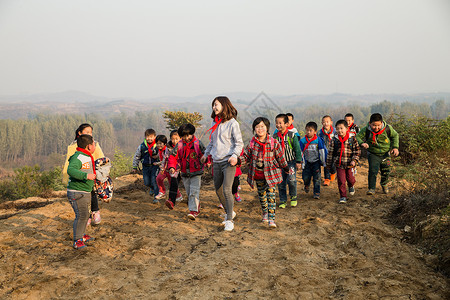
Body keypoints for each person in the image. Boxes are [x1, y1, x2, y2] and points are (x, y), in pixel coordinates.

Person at [200, 96, 244, 232]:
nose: (214, 107)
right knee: (218, 190)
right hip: (216, 161)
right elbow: (212, 143)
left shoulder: (233, 123)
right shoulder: (215, 122)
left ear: (225, 106)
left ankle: (229, 220)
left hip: (228, 161)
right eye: (213, 105)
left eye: (216, 104)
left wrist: (235, 156)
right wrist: (206, 154)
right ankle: (230, 212)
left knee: (226, 189)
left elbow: (239, 143)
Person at [240, 117, 289, 228]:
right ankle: (265, 213)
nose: (260, 129)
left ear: (267, 128)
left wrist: (285, 167)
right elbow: (246, 156)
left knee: (271, 195)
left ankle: (272, 219)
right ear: (254, 129)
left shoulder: (273, 142)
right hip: (258, 174)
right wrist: (238, 161)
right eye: (257, 127)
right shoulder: (252, 143)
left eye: (262, 126)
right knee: (262, 195)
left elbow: (280, 157)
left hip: (271, 174)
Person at [62, 123, 104, 226]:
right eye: (87, 132)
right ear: (79, 133)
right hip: (81, 175)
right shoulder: (73, 146)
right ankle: (87, 217)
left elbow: (101, 158)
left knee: (92, 193)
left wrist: (101, 174)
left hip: (92, 174)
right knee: (84, 198)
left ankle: (95, 212)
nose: (90, 134)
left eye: (91, 132)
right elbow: (70, 163)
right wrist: (65, 176)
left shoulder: (94, 144)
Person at [168, 124, 206, 219]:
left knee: (194, 192)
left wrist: (206, 160)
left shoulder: (198, 143)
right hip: (185, 173)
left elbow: (205, 153)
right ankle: (197, 205)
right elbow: (173, 156)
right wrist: (172, 166)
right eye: (184, 136)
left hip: (196, 172)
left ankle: (193, 211)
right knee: (189, 193)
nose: (186, 138)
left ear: (192, 134)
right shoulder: (179, 145)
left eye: (188, 135)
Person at [356, 113, 399, 195]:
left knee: (386, 170)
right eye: (374, 125)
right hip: (373, 153)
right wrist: (362, 143)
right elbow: (357, 137)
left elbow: (395, 135)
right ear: (370, 123)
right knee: (373, 171)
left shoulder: (387, 128)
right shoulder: (366, 130)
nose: (376, 127)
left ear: (382, 123)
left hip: (386, 153)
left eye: (378, 125)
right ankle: (371, 188)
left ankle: (384, 184)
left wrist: (395, 147)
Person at [66, 134, 97, 249]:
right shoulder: (79, 157)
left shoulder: (86, 156)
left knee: (85, 215)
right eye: (94, 144)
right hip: (77, 192)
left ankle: (81, 235)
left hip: (84, 192)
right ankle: (77, 240)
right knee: (81, 215)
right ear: (89, 146)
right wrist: (86, 176)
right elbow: (71, 170)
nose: (95, 146)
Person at [326, 120, 361, 203]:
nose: (339, 131)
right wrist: (328, 164)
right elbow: (330, 153)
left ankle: (351, 185)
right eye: (337, 129)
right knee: (341, 181)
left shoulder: (352, 139)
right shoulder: (334, 140)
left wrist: (354, 160)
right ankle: (343, 196)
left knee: (351, 179)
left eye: (341, 128)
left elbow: (357, 151)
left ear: (346, 128)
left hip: (350, 164)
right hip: (339, 164)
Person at [273, 114, 302, 208]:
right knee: (281, 183)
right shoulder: (274, 137)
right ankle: (283, 200)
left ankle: (293, 197)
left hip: (290, 162)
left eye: (280, 123)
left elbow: (297, 149)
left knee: (292, 180)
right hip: (279, 164)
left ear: (286, 124)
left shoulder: (292, 135)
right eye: (277, 123)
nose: (278, 125)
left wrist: (298, 161)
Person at [299, 122, 328, 199]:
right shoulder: (302, 141)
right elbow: (300, 152)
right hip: (307, 162)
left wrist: (323, 162)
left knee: (317, 178)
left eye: (310, 130)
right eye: (307, 130)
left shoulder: (318, 140)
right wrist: (302, 162)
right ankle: (307, 184)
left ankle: (316, 192)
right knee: (305, 177)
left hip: (316, 162)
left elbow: (322, 151)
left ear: (315, 131)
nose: (308, 132)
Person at [132, 129, 159, 203]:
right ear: (145, 137)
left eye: (151, 137)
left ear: (154, 137)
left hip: (155, 166)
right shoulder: (142, 146)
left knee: (155, 181)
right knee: (147, 182)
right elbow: (137, 156)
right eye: (147, 136)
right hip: (145, 167)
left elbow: (163, 154)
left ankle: (156, 197)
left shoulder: (157, 145)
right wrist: (135, 166)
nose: (149, 138)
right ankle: (152, 188)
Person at [162, 130, 183, 209]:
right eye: (173, 139)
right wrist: (170, 167)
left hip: (185, 169)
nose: (175, 141)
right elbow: (168, 158)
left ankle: (194, 202)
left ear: (180, 138)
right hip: (175, 169)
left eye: (177, 139)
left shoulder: (183, 146)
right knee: (173, 183)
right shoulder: (168, 148)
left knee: (190, 187)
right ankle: (171, 201)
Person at [318, 115, 337, 186]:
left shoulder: (335, 131)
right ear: (322, 123)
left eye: (327, 122)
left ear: (331, 122)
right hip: (325, 152)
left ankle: (333, 173)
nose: (326, 123)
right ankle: (327, 179)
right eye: (324, 122)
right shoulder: (320, 133)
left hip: (334, 151)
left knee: (333, 165)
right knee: (326, 165)